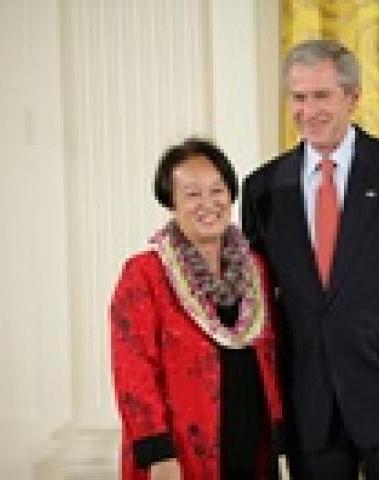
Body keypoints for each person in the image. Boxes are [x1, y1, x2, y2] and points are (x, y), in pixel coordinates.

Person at [241, 39, 379, 479]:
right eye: (298, 98)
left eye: (322, 96)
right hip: (309, 405)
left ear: (353, 97)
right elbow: (258, 301)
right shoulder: (262, 187)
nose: (308, 110)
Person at [110, 137, 282, 480]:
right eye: (192, 194)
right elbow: (133, 371)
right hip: (182, 456)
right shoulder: (145, 274)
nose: (208, 203)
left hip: (254, 449)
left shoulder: (257, 268)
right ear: (171, 202)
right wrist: (157, 452)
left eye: (217, 190)